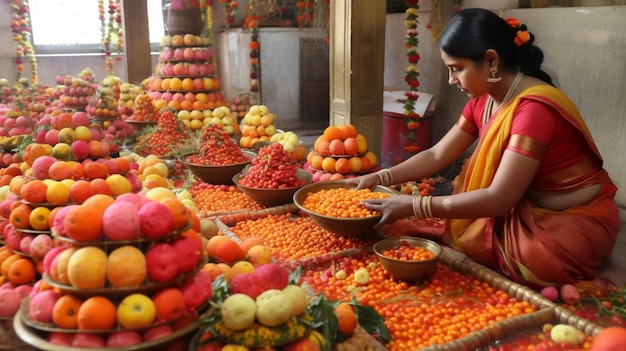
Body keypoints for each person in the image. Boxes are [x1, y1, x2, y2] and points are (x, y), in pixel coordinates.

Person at [355, 8, 620, 288]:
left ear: (491, 60)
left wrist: (416, 205)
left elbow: (500, 198)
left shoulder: (533, 110)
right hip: (523, 207)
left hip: (576, 218)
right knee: (461, 227)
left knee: (534, 259)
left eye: (457, 68)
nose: (450, 80)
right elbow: (437, 154)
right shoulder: (484, 100)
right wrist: (381, 177)